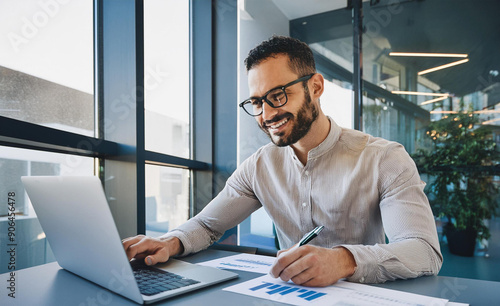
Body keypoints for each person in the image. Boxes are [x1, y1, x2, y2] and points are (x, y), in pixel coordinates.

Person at [123, 35, 442, 286]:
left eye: (278, 96)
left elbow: (423, 250)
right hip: (289, 294)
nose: (267, 114)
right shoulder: (259, 167)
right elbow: (207, 225)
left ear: (315, 87)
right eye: (257, 102)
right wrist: (168, 242)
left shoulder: (384, 158)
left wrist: (344, 261)